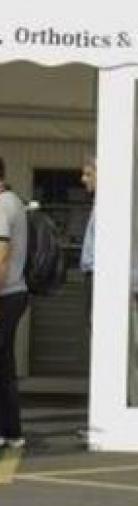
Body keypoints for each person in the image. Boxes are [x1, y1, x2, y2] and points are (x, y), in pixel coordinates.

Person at [0, 156, 28, 449]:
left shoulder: (1, 205)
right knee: (4, 365)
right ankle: (11, 431)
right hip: (13, 293)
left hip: (4, 294)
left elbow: (2, 255)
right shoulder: (13, 202)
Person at [79, 155, 96, 322]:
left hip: (99, 274)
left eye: (88, 174)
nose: (83, 179)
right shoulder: (98, 203)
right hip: (92, 274)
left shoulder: (109, 205)